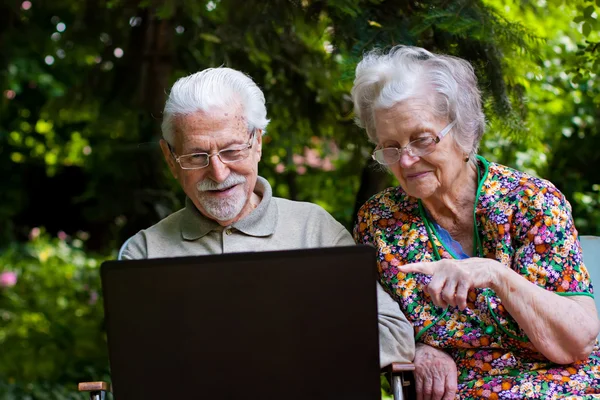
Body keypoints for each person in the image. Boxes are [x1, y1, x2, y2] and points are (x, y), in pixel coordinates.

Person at [119, 67, 415, 367]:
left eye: (232, 151)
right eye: (196, 157)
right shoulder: (144, 253)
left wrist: (283, 345)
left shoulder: (313, 229)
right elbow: (138, 366)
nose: (219, 173)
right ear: (171, 160)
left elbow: (394, 335)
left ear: (257, 142)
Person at [351, 45, 600, 399]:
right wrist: (413, 351)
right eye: (390, 147)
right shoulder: (379, 223)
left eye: (422, 139)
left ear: (464, 131)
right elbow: (366, 323)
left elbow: (576, 343)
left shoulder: (531, 202)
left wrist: (496, 275)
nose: (406, 161)